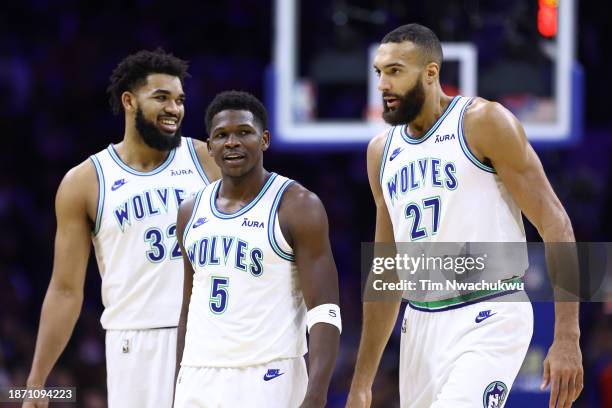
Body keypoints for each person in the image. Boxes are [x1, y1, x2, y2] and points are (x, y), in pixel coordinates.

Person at [346, 24, 583, 408]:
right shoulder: (381, 152)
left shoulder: (483, 122)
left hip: (490, 311)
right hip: (419, 323)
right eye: (379, 72)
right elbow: (387, 268)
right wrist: (362, 383)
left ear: (430, 73)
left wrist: (568, 337)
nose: (383, 85)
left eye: (395, 71)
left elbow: (556, 222)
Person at [24, 49, 219, 408]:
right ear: (129, 101)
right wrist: (37, 379)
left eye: (179, 100)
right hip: (134, 342)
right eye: (161, 97)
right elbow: (66, 290)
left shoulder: (207, 159)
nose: (174, 108)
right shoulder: (85, 182)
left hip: (210, 333)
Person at [173, 91, 341, 408]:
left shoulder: (298, 206)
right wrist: (177, 377)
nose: (232, 142)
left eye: (244, 132)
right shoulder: (190, 211)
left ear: (264, 139)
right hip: (199, 372)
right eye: (221, 135)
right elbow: (188, 305)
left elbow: (324, 308)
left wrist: (317, 393)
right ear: (209, 147)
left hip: (269, 374)